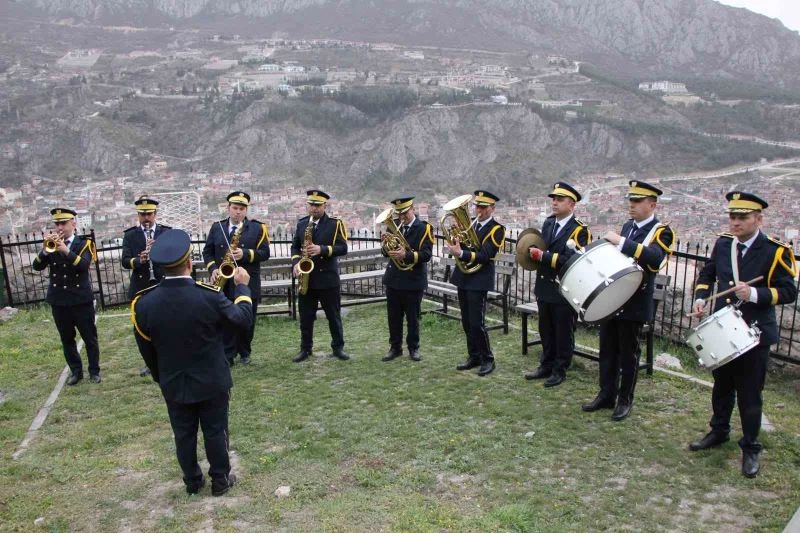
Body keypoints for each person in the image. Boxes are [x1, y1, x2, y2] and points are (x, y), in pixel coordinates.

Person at [132, 229, 253, 496]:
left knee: (183, 433)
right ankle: (220, 479)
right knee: (215, 430)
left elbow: (146, 348)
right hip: (212, 378)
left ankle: (192, 480)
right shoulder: (209, 296)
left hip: (173, 379)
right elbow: (241, 319)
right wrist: (242, 287)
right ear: (190, 262)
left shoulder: (143, 303)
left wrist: (161, 375)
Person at [689, 191, 797, 478]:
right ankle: (719, 431)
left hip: (754, 333)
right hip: (724, 331)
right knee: (721, 387)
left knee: (750, 395)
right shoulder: (724, 244)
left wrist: (755, 293)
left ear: (758, 218)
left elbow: (789, 291)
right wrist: (701, 299)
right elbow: (707, 275)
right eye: (732, 216)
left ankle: (750, 447)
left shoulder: (775, 251)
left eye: (742, 217)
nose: (735, 222)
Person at [581, 180, 674, 421]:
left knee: (628, 354)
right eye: (630, 200)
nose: (631, 205)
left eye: (637, 201)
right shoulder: (628, 226)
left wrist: (621, 242)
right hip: (615, 297)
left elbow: (654, 260)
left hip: (636, 300)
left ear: (652, 204)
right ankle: (606, 394)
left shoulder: (661, 231)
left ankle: (625, 399)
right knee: (607, 348)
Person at [524, 183, 591, 387]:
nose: (554, 202)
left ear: (572, 205)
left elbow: (572, 261)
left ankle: (560, 369)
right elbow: (542, 248)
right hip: (544, 285)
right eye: (553, 199)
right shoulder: (549, 223)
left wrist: (542, 256)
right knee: (546, 329)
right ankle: (546, 364)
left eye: (559, 199)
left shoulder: (579, 230)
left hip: (564, 288)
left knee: (563, 331)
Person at [32, 208, 101, 385]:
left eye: (64, 223)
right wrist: (45, 251)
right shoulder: (52, 244)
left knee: (89, 337)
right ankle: (76, 372)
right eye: (57, 223)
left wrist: (65, 250)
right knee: (66, 338)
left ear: (73, 223)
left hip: (80, 299)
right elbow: (36, 266)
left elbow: (83, 265)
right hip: (59, 299)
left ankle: (94, 371)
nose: (60, 227)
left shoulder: (84, 243)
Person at [202, 191, 270, 366]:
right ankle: (228, 353)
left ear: (246, 210)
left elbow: (265, 253)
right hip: (224, 284)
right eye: (235, 208)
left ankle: (245, 351)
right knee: (225, 319)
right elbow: (207, 252)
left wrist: (245, 254)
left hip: (247, 283)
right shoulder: (217, 227)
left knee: (248, 318)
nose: (238, 212)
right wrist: (213, 269)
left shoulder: (258, 228)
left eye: (241, 209)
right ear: (228, 208)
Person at [447, 190, 506, 376]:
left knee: (476, 323)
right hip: (464, 277)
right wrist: (456, 241)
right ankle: (474, 356)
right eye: (477, 206)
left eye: (483, 207)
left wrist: (461, 253)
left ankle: (488, 359)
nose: (479, 210)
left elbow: (485, 255)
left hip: (479, 280)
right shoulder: (469, 226)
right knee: (466, 321)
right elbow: (462, 248)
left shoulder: (497, 230)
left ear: (492, 208)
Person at [291, 189, 349, 362]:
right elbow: (295, 247)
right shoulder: (302, 224)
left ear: (325, 205)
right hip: (307, 279)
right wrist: (296, 264)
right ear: (307, 205)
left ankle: (338, 348)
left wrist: (322, 249)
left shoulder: (334, 224)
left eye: (318, 205)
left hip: (327, 279)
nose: (314, 209)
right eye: (311, 205)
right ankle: (305, 349)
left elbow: (343, 248)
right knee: (306, 317)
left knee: (333, 316)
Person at [121, 195, 171, 377]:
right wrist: (139, 259)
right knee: (142, 327)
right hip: (141, 285)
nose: (146, 218)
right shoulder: (130, 235)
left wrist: (158, 251)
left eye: (149, 214)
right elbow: (125, 261)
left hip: (162, 283)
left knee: (166, 323)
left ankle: (168, 358)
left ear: (155, 214)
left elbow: (173, 257)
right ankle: (150, 361)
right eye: (142, 214)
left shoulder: (166, 232)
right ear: (138, 215)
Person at [380, 197, 434, 362]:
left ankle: (413, 348)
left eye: (404, 213)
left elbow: (426, 255)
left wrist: (407, 255)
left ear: (413, 209)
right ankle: (395, 348)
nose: (401, 217)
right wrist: (385, 245)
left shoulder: (424, 228)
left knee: (412, 318)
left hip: (413, 280)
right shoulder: (395, 226)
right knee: (393, 317)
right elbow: (385, 254)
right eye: (399, 213)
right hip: (394, 279)